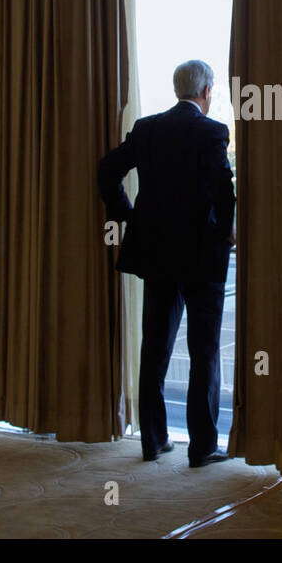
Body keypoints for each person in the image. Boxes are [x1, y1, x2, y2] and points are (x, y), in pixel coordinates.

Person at [98, 59, 237, 467]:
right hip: (201, 257)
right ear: (207, 91)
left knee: (155, 347)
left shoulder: (147, 129)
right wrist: (227, 229)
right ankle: (202, 447)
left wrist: (127, 215)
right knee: (204, 352)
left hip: (156, 253)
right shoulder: (212, 132)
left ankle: (154, 440)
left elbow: (108, 170)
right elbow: (222, 191)